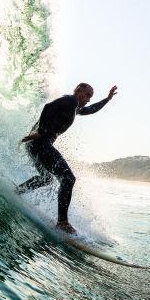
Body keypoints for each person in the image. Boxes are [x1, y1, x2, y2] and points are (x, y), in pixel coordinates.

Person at [16, 83, 117, 233]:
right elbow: (48, 107)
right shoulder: (71, 100)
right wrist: (40, 130)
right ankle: (62, 222)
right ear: (79, 91)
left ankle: (18, 191)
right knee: (68, 179)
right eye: (88, 95)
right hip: (40, 142)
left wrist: (107, 99)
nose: (89, 99)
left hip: (36, 144)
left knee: (47, 179)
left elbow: (90, 110)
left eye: (91, 96)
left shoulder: (74, 107)